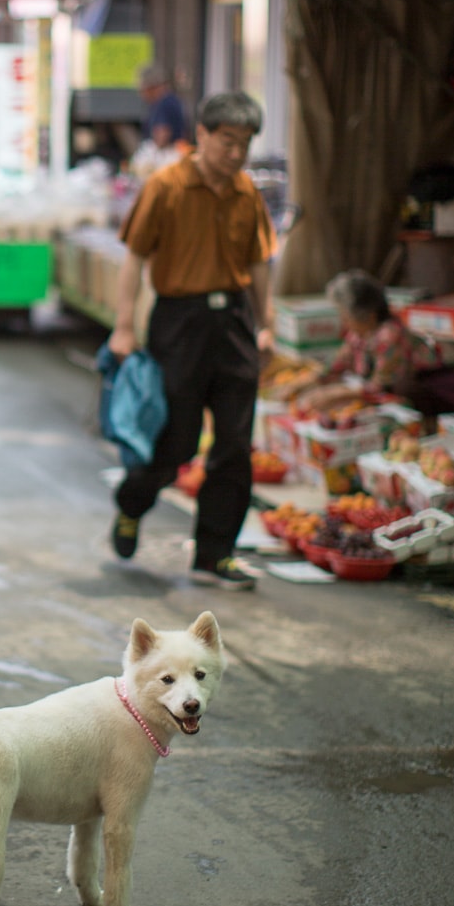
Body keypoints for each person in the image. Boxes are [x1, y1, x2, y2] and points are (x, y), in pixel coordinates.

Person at [108, 90, 276, 589]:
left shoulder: (248, 193)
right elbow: (135, 259)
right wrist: (123, 326)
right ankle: (131, 502)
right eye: (227, 141)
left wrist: (265, 323)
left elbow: (260, 262)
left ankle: (213, 555)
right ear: (201, 135)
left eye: (244, 143)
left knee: (233, 444)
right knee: (175, 441)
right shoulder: (166, 187)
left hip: (234, 326)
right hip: (178, 325)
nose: (236, 153)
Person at [297, 270, 454, 416]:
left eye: (346, 317)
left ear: (369, 315)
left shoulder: (390, 335)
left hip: (434, 402)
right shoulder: (358, 334)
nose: (344, 323)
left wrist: (336, 394)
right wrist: (303, 383)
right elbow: (335, 367)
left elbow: (379, 386)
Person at [138, 64, 187, 150]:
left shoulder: (165, 103)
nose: (141, 95)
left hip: (168, 157)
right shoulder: (170, 100)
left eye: (143, 90)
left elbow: (162, 136)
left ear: (152, 88)